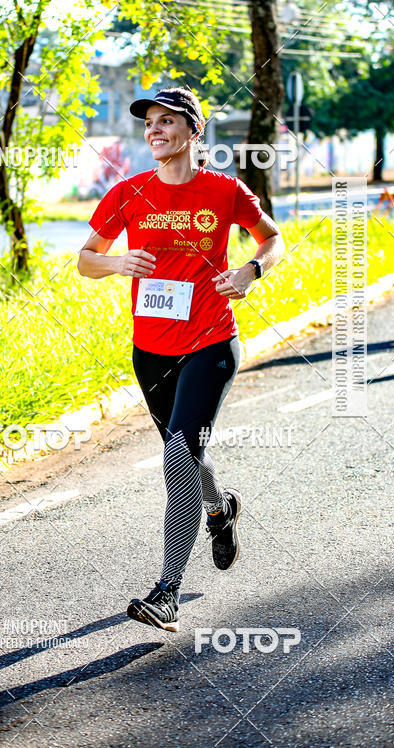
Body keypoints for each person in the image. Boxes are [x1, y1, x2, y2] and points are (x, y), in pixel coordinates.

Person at [77, 86, 285, 632]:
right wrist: (118, 263)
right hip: (151, 353)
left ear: (193, 131)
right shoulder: (127, 193)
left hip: (212, 344)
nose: (154, 131)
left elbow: (272, 238)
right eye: (149, 123)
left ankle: (166, 592)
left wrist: (248, 271)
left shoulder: (224, 190)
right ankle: (220, 508)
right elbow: (85, 260)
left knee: (178, 457)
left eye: (167, 122)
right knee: (188, 456)